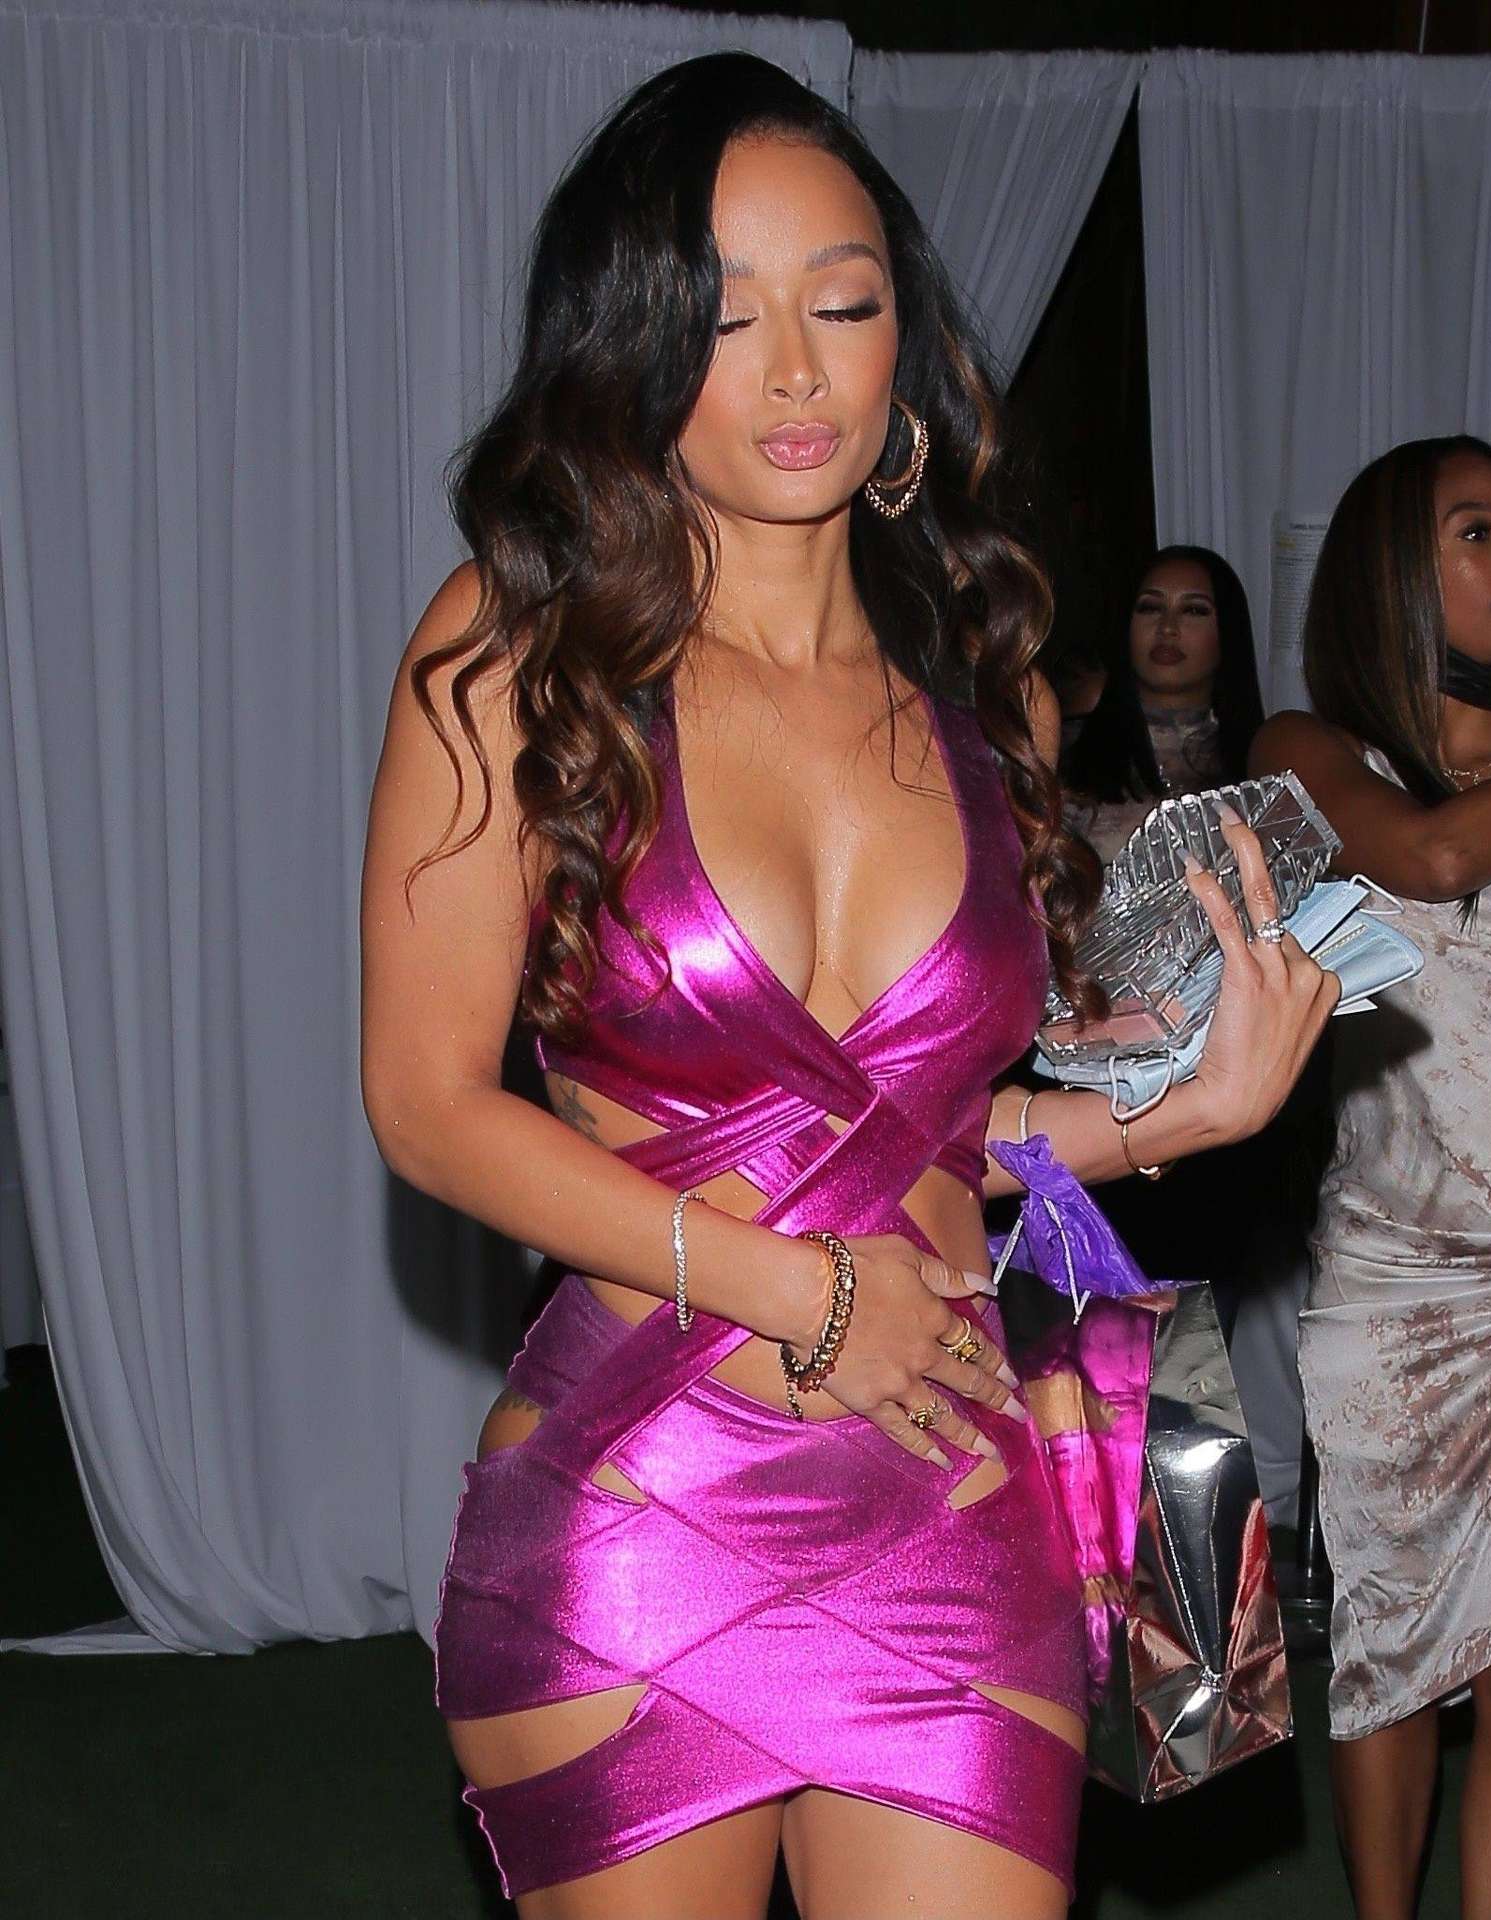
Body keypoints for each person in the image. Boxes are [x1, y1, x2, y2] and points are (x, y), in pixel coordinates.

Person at [361, 54, 1337, 1920]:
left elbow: (935, 1135)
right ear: (634, 352)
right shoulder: (515, 651)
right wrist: (800, 1297)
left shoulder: (988, 686)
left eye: (843, 301)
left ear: (907, 336)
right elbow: (427, 1104)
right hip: (639, 1511)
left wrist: (1177, 1116)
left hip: (953, 1497)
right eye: (725, 318)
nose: (797, 371)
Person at [1252, 434, 1491, 1920]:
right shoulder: (1308, 753)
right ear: (1389, 576)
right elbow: (1426, 862)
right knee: (1391, 1664)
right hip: (1397, 1289)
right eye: (1476, 531)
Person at [1064, 545, 1265, 862]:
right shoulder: (1061, 758)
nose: (1167, 628)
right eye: (1150, 608)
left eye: (1194, 610)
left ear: (1228, 630)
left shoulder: (1261, 765)